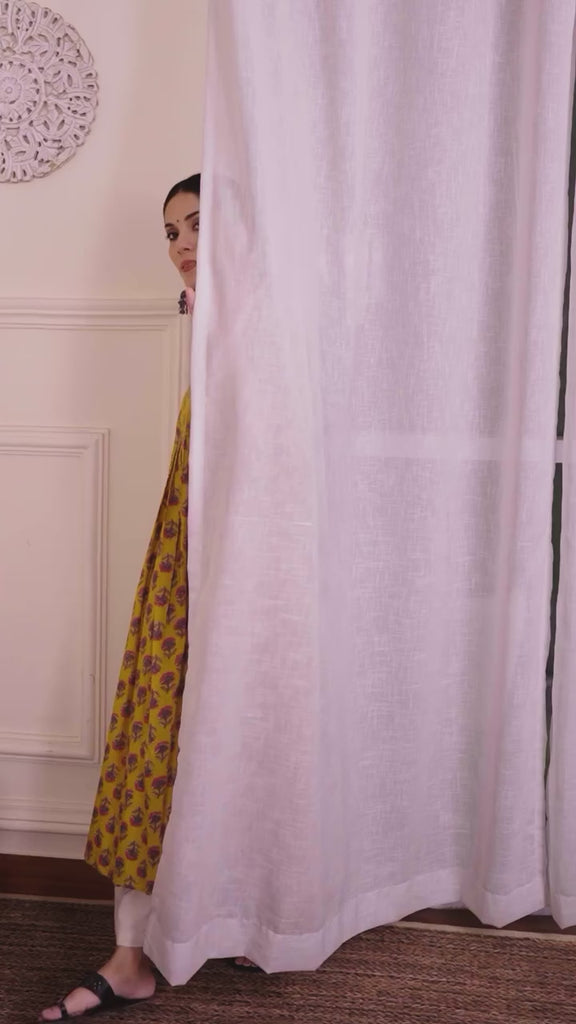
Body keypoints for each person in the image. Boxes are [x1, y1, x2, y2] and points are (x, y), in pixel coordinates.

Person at [39, 174, 255, 1022]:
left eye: (197, 224)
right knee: (154, 736)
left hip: (248, 574)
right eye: (171, 232)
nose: (182, 245)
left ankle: (235, 919)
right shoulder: (210, 322)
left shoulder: (263, 330)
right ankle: (130, 953)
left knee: (239, 739)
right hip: (187, 566)